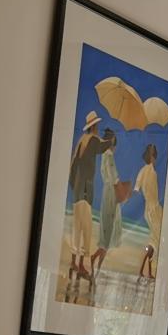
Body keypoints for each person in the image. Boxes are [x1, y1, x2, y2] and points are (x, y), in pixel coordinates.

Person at [62, 111, 101, 299]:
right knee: (86, 228)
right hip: (85, 190)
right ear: (94, 126)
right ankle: (81, 264)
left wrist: (73, 185)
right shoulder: (92, 140)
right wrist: (110, 140)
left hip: (78, 189)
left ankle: (73, 261)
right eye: (97, 126)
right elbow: (102, 146)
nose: (98, 128)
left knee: (76, 227)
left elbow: (72, 166)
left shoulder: (80, 141)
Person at [88, 125, 120, 280]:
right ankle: (97, 265)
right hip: (111, 194)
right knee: (108, 230)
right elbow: (114, 178)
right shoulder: (109, 156)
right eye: (113, 142)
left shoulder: (104, 156)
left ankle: (97, 266)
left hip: (107, 193)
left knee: (106, 231)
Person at [136, 141, 163, 280]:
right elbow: (155, 195)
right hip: (154, 209)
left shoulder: (142, 171)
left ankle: (144, 270)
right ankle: (146, 270)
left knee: (154, 239)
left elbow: (137, 188)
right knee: (156, 239)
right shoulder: (152, 172)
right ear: (153, 157)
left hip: (148, 209)